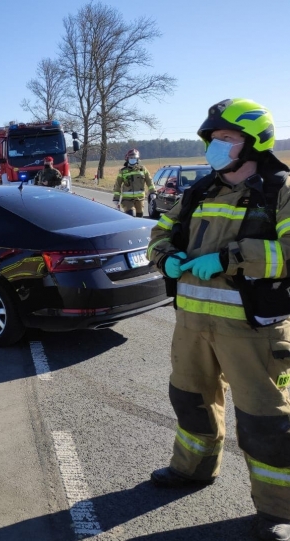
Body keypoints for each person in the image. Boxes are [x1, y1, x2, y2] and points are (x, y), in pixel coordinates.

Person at [147, 98, 290, 541]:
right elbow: (160, 232)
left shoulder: (280, 190)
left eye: (227, 138)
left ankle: (279, 511)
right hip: (192, 324)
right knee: (190, 400)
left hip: (253, 330)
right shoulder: (200, 191)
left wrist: (231, 258)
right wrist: (166, 257)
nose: (216, 146)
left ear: (256, 142)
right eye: (213, 138)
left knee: (266, 421)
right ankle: (192, 468)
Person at [113, 148, 154, 217]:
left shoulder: (143, 170)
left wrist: (153, 192)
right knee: (131, 214)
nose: (133, 159)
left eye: (134, 158)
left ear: (137, 159)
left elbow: (149, 181)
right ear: (127, 159)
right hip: (127, 200)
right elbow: (117, 185)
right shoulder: (123, 171)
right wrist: (116, 198)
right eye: (131, 158)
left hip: (140, 199)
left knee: (139, 216)